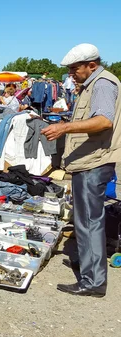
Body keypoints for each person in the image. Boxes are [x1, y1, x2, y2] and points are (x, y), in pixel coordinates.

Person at [42, 43, 120, 298]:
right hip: (89, 161)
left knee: (88, 221)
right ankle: (88, 265)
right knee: (84, 219)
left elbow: (104, 120)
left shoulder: (103, 85)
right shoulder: (93, 84)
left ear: (92, 65)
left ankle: (93, 281)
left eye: (74, 69)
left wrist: (65, 128)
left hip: (94, 162)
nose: (71, 74)